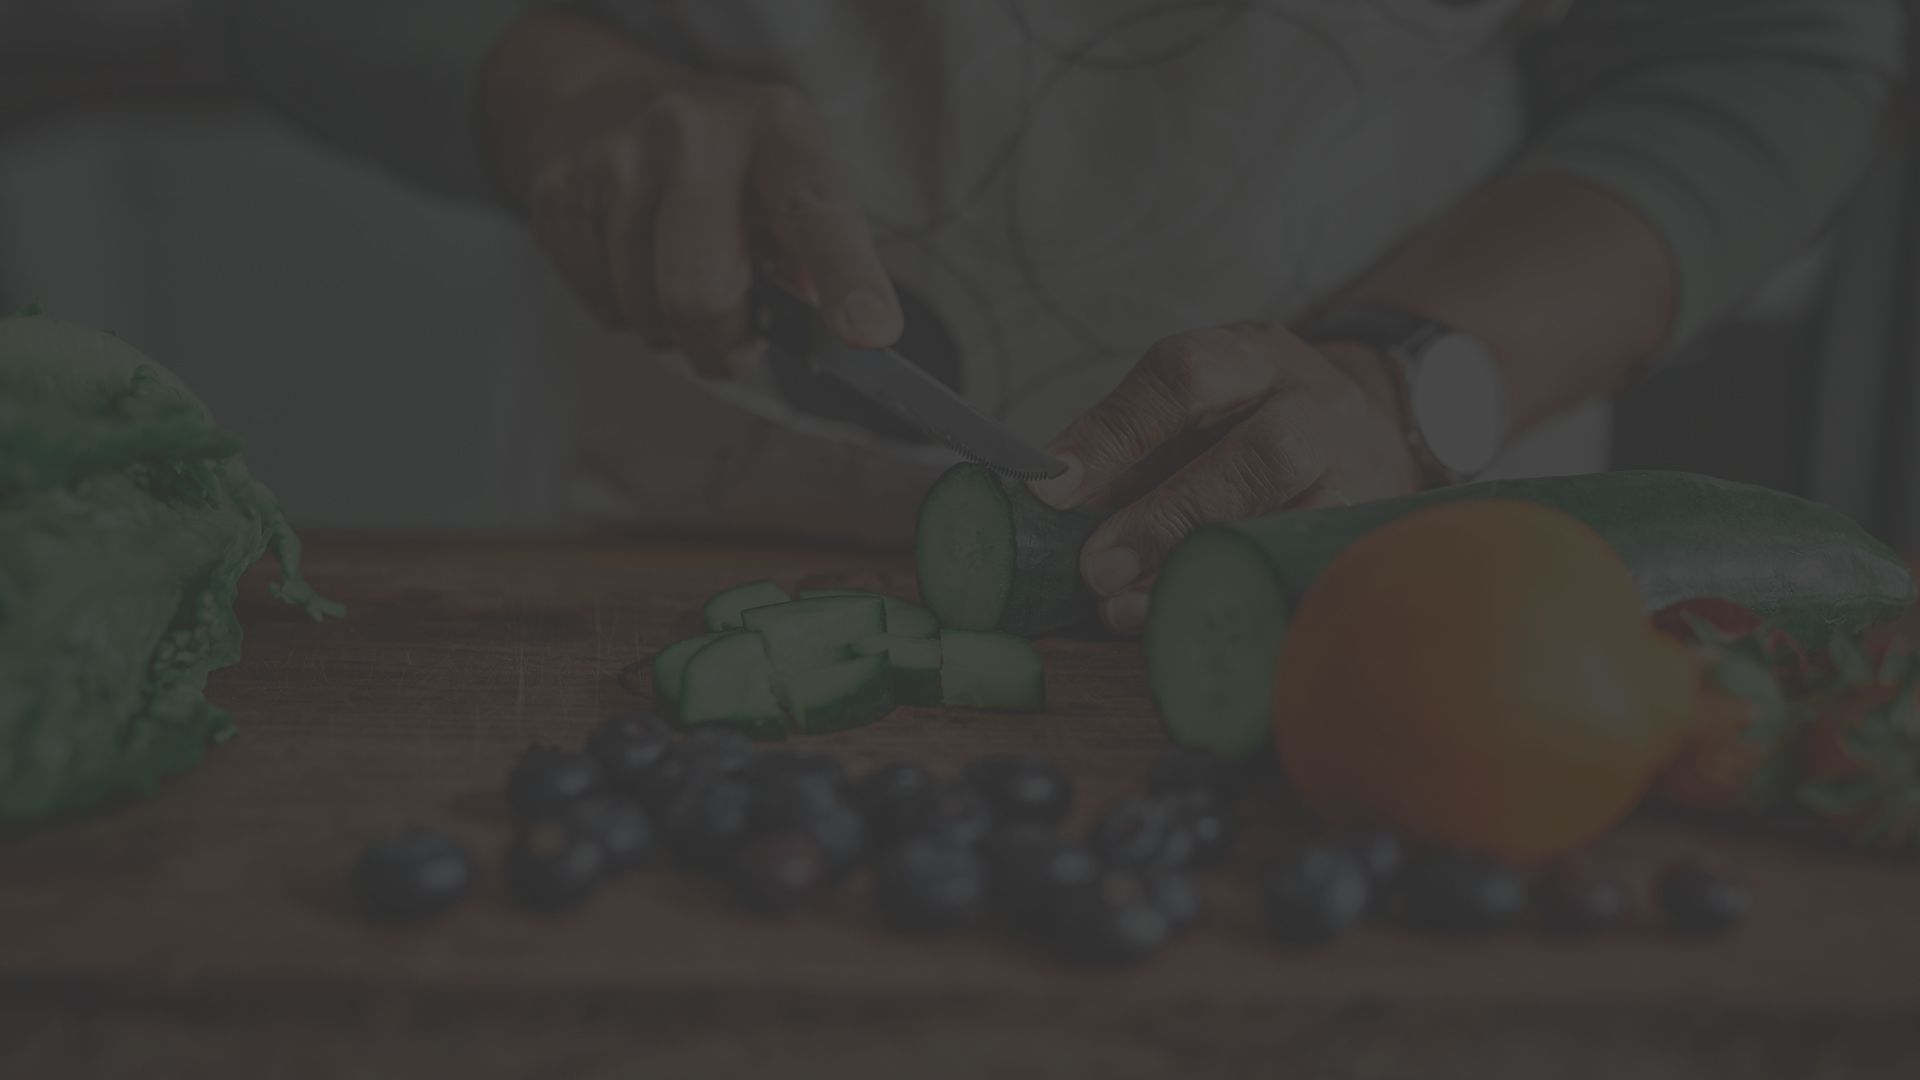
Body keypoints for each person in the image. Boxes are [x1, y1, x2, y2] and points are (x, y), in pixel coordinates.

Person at [234, 0, 1904, 632]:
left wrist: (1405, 382)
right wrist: (552, 91)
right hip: (654, 534)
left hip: (1379, 596)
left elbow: (1756, 48)